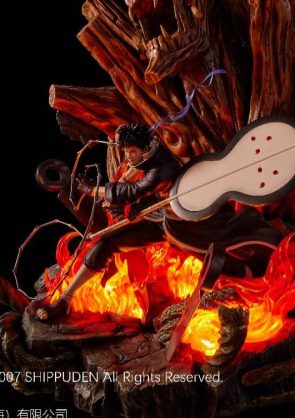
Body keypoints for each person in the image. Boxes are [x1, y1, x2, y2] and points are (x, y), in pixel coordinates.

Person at [28, 123, 181, 322]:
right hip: (154, 218)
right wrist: (140, 205)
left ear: (145, 148)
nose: (128, 157)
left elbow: (131, 191)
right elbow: (135, 185)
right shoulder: (147, 156)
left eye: (132, 152)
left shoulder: (161, 168)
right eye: (125, 152)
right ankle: (65, 301)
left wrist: (92, 190)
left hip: (171, 227)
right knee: (104, 244)